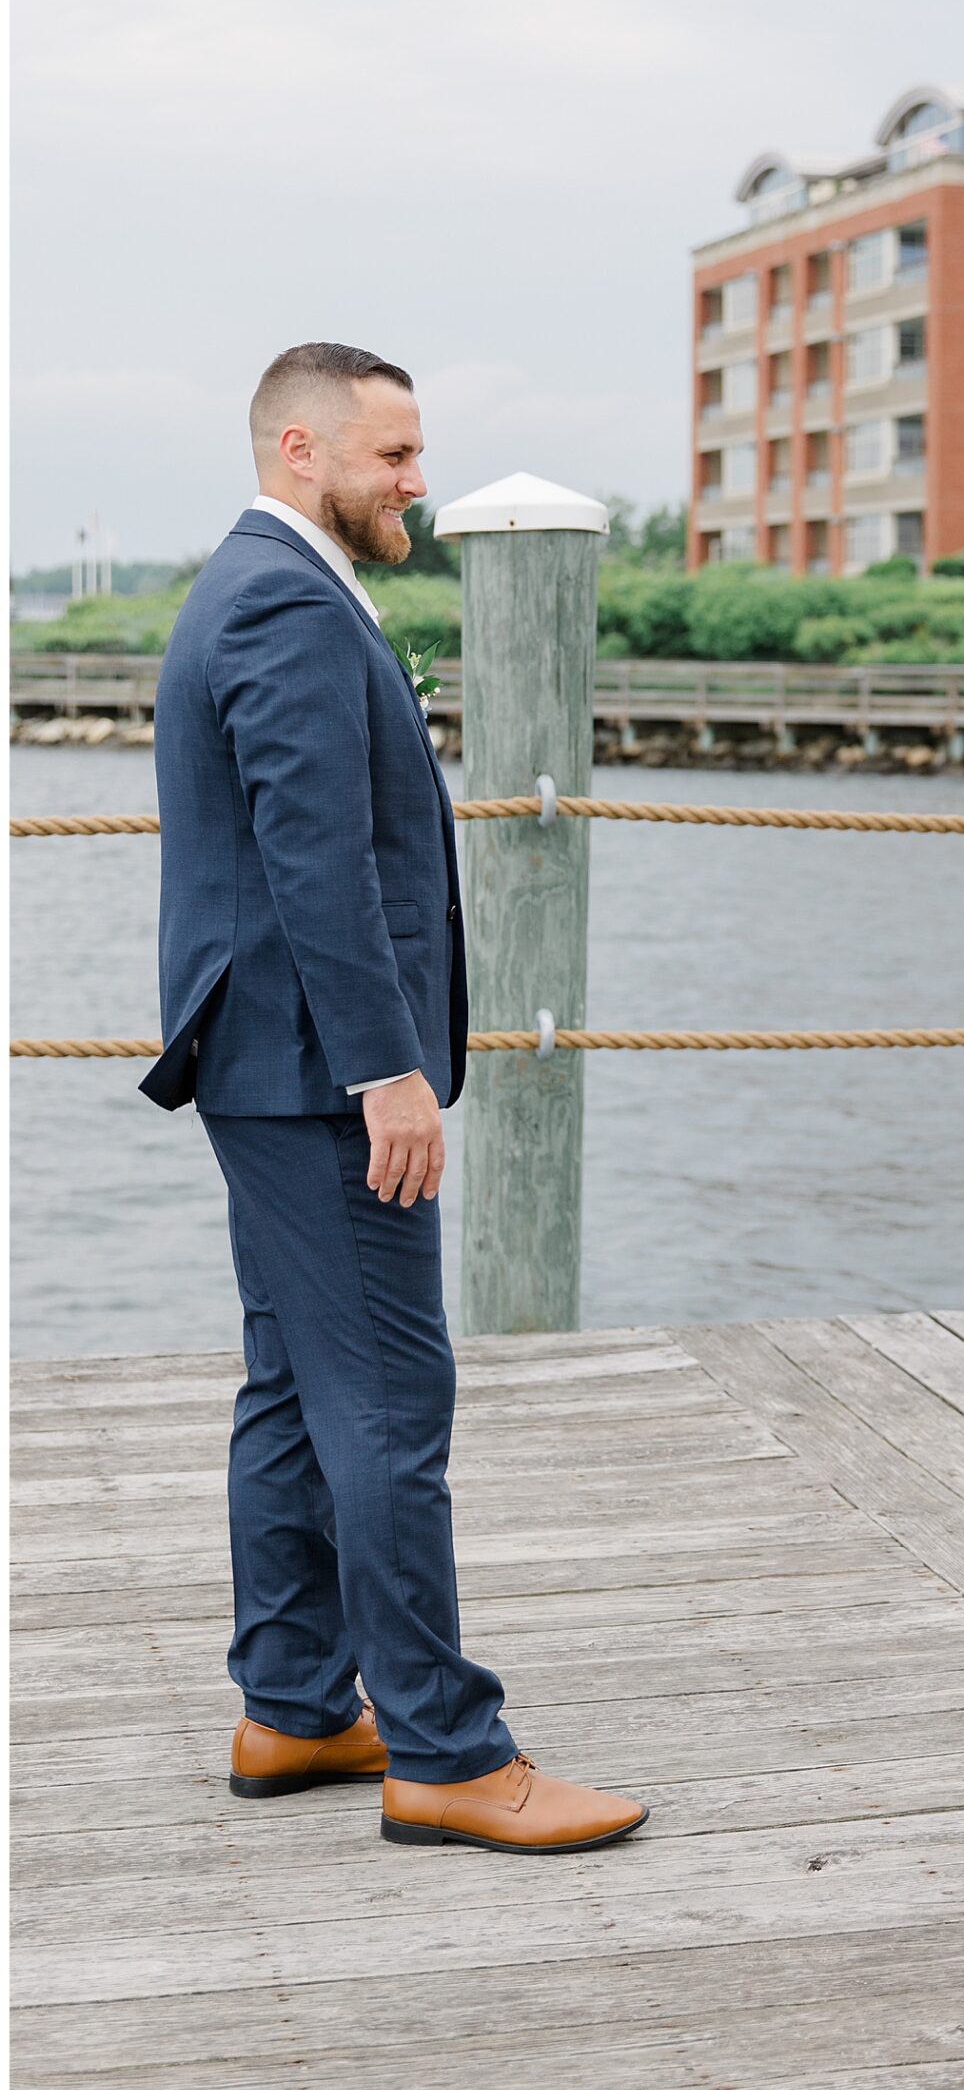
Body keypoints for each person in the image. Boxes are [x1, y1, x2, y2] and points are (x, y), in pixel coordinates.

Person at [143, 340, 649, 1855]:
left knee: (296, 1392)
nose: (416, 483)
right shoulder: (288, 601)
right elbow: (320, 866)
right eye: (392, 456)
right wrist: (389, 1075)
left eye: (418, 455)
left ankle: (293, 1709)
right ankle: (443, 1747)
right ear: (300, 451)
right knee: (387, 1401)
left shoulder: (255, 586)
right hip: (316, 1072)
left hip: (266, 1064)